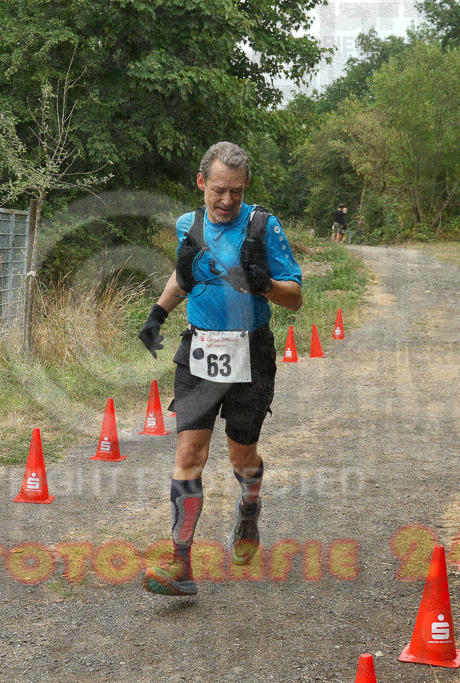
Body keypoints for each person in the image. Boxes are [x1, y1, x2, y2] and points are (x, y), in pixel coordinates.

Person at [137, 141, 303, 596]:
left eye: (235, 190)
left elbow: (296, 297)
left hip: (252, 353)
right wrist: (158, 313)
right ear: (201, 183)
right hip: (201, 349)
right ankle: (180, 564)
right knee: (189, 455)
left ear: (245, 187)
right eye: (218, 190)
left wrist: (264, 284)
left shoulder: (264, 227)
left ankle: (249, 509)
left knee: (241, 457)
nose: (226, 200)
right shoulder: (187, 225)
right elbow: (186, 274)